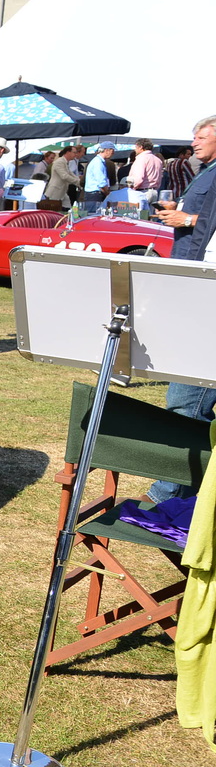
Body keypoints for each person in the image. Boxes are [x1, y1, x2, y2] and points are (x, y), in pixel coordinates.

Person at [148, 115, 216, 500]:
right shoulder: (205, 171)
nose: (194, 141)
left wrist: (187, 217)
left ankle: (167, 493)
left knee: (187, 399)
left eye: (202, 136)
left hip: (205, 288)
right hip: (194, 282)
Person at [126, 138, 165, 210]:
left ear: (140, 147)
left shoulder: (141, 158)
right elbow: (159, 178)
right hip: (154, 191)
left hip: (142, 192)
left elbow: (138, 178)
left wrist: (131, 188)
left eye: (136, 147)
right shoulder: (158, 160)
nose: (135, 150)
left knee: (140, 218)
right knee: (150, 218)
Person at [41, 144, 80, 211]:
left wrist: (79, 181)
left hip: (62, 191)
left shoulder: (65, 162)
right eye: (74, 152)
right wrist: (78, 182)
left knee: (68, 208)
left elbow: (70, 174)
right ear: (68, 152)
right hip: (55, 191)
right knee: (54, 211)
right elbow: (64, 176)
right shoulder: (59, 162)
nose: (76, 154)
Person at [81, 141, 115, 214]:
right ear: (106, 150)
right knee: (95, 217)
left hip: (93, 194)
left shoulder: (98, 161)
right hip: (95, 195)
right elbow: (101, 183)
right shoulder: (98, 163)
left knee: (93, 216)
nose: (113, 153)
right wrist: (108, 194)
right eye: (112, 151)